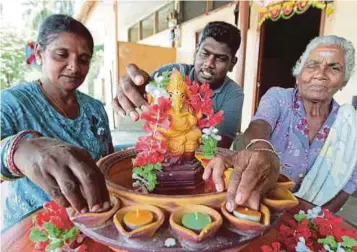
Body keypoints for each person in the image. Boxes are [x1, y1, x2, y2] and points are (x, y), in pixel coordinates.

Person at [203, 35, 357, 213]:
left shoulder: (350, 126)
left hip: (311, 218)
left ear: (344, 80)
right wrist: (262, 149)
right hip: (259, 208)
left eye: (334, 68)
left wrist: (312, 221)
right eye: (313, 64)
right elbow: (259, 124)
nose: (320, 74)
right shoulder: (279, 98)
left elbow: (348, 184)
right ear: (299, 72)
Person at [0, 14, 113, 230]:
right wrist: (18, 150)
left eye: (83, 59)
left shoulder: (95, 109)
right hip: (35, 232)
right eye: (61, 55)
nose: (74, 67)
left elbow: (106, 164)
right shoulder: (12, 103)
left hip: (96, 224)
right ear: (40, 53)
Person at [113, 21, 244, 149]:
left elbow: (218, 147)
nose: (209, 63)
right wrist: (136, 85)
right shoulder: (173, 73)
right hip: (161, 153)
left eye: (220, 58)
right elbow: (146, 86)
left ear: (232, 63)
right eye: (205, 53)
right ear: (196, 52)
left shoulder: (233, 94)